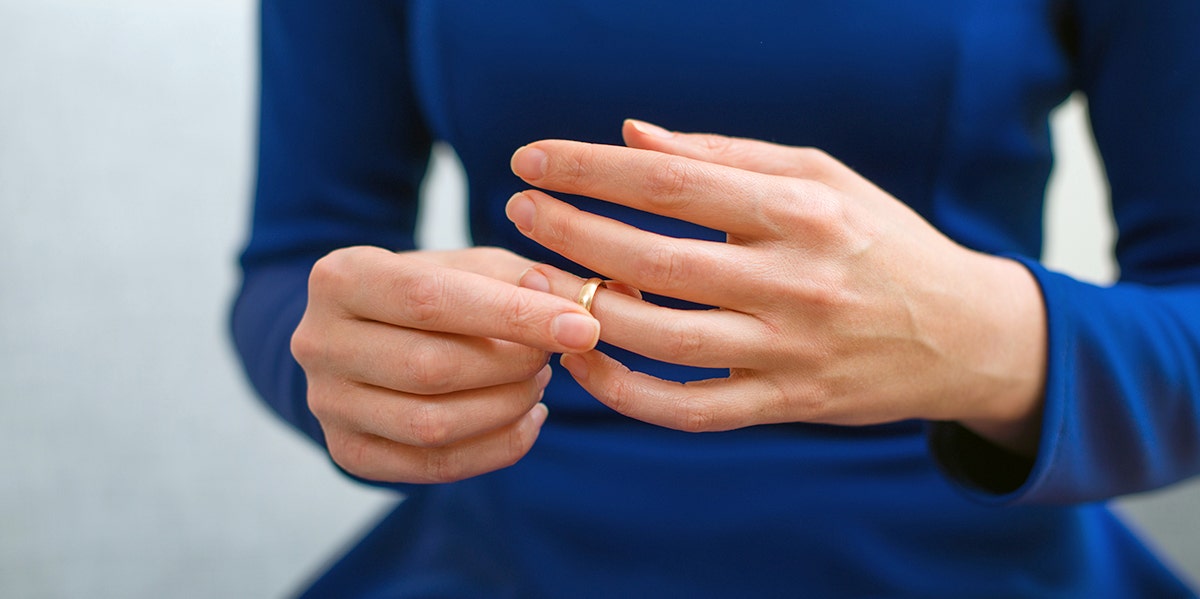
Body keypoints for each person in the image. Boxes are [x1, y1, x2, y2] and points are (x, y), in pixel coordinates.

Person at [231, 1, 1200, 596]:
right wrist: (366, 366)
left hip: (973, 554)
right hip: (512, 549)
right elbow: (295, 262)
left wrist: (995, 338)